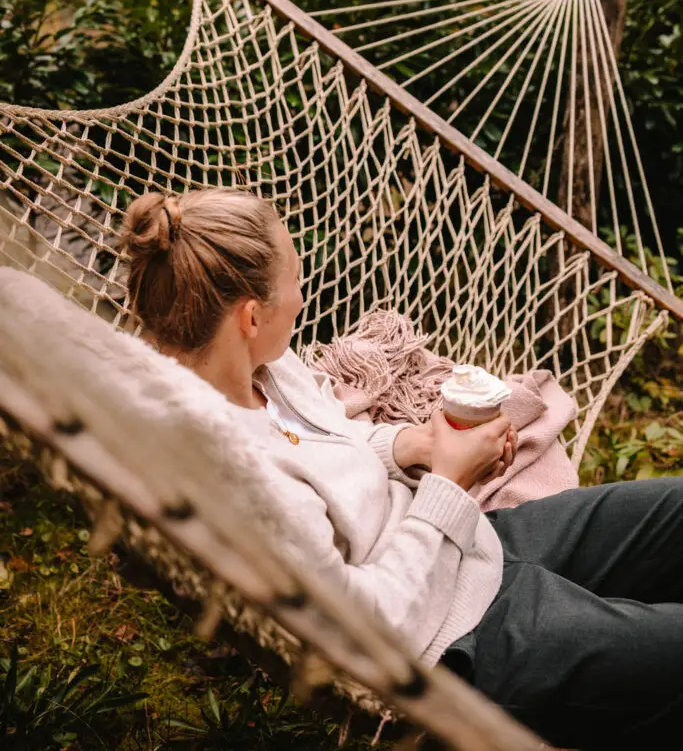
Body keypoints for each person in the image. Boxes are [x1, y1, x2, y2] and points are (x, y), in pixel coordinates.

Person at [120, 187, 683, 751]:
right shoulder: (233, 479)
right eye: (295, 279)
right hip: (451, 644)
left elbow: (334, 441)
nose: (301, 295)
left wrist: (413, 445)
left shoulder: (264, 369)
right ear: (250, 316)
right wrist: (450, 484)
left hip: (469, 547)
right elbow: (366, 634)